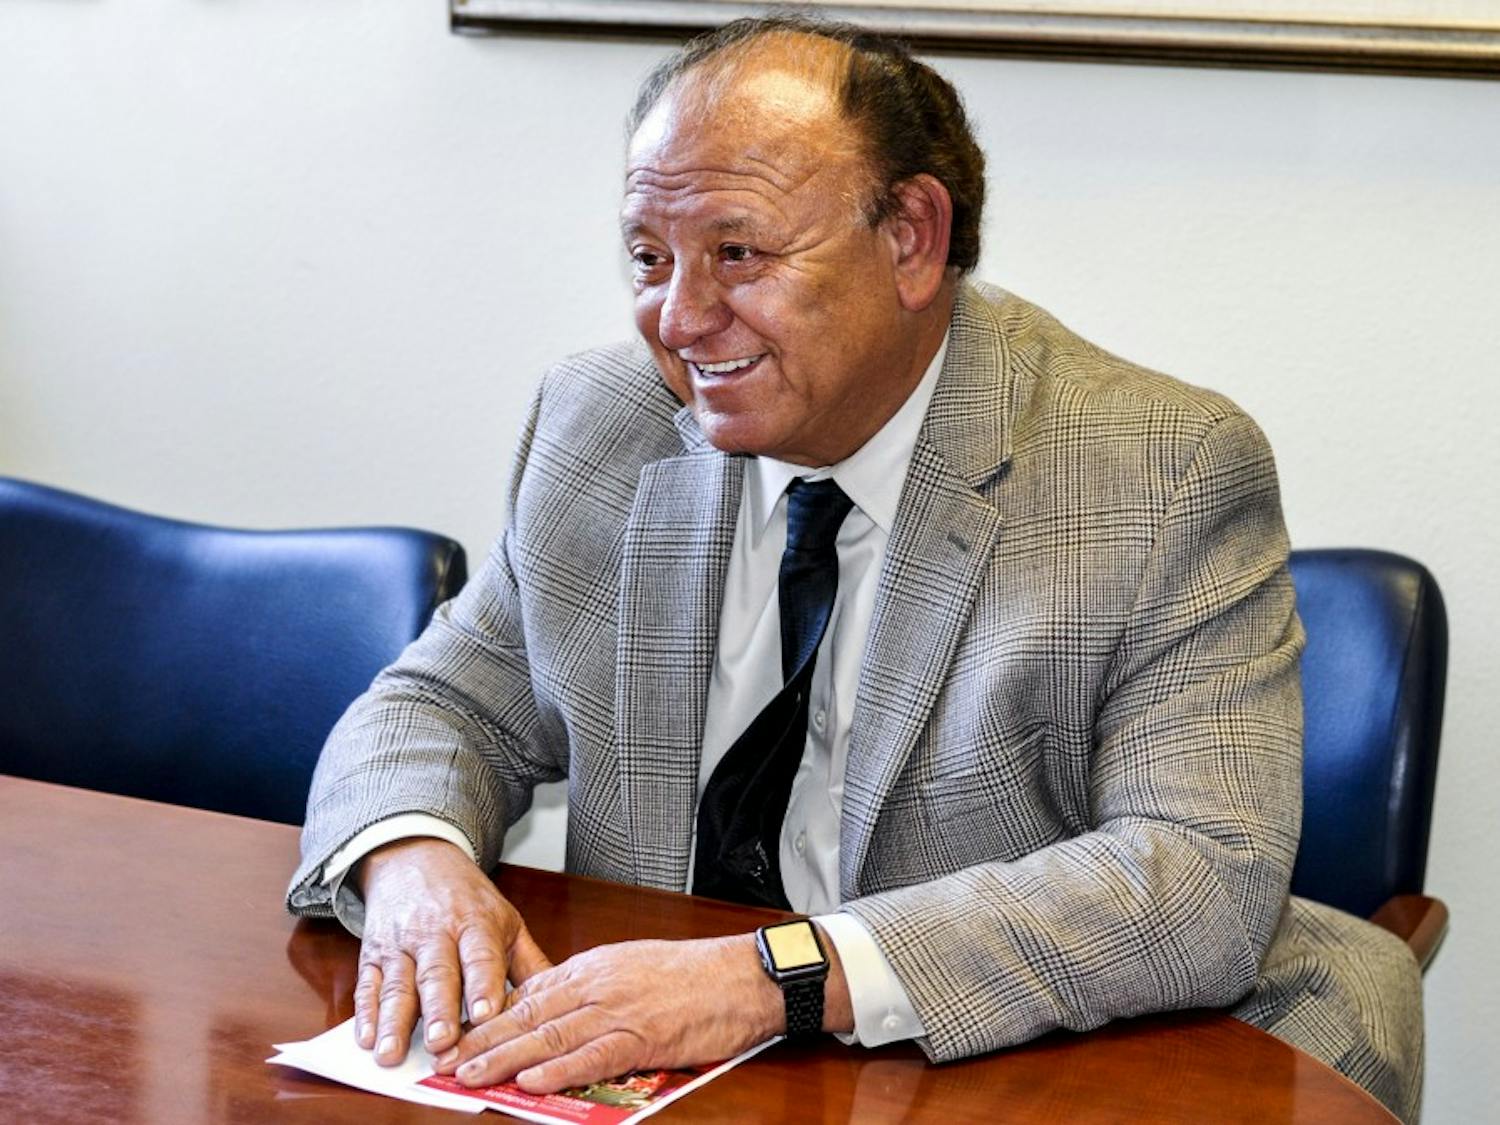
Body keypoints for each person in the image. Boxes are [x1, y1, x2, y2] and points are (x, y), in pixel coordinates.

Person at [288, 15, 1423, 1121]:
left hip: (1012, 1062)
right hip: (683, 1077)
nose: (679, 319)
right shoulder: (603, 422)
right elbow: (445, 703)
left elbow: (1196, 876)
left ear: (911, 241)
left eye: (740, 254)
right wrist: (413, 864)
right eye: (647, 257)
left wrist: (774, 977)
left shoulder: (1156, 470)